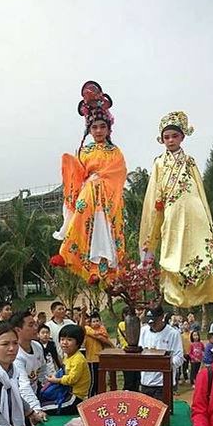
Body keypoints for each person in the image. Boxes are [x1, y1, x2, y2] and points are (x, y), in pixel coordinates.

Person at [139, 111, 213, 308]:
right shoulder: (159, 163)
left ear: (182, 137)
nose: (170, 140)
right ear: (162, 140)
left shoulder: (190, 161)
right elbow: (154, 192)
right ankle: (175, 294)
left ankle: (202, 289)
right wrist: (156, 215)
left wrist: (206, 215)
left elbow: (200, 190)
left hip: (194, 211)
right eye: (166, 137)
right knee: (172, 254)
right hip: (171, 212)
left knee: (200, 249)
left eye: (174, 136)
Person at [52, 80, 127, 283]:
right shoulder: (84, 151)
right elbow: (78, 176)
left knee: (106, 234)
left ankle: (102, 272)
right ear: (89, 129)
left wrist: (99, 183)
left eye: (103, 126)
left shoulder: (115, 151)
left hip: (108, 195)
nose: (99, 131)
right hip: (88, 193)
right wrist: (70, 166)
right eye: (95, 127)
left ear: (109, 128)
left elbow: (117, 173)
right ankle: (68, 255)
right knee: (81, 217)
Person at [10, 311, 48, 426]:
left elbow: (43, 369)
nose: (36, 328)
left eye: (35, 324)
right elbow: (23, 386)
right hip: (17, 402)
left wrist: (47, 385)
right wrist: (36, 409)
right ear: (18, 329)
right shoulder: (16, 355)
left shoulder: (37, 346)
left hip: (33, 397)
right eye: (31, 325)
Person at [138, 306, 184, 401]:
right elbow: (140, 352)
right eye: (149, 322)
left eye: (155, 321)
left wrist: (164, 363)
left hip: (163, 383)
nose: (152, 324)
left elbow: (179, 357)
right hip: (146, 382)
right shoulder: (144, 331)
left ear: (161, 317)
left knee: (162, 413)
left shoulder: (173, 334)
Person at [44, 324, 90, 415]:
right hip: (66, 393)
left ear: (78, 343)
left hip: (75, 398)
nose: (64, 342)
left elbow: (72, 379)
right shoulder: (68, 356)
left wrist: (56, 380)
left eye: (69, 340)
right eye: (62, 339)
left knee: (43, 409)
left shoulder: (78, 359)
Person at [82, 310, 113, 396]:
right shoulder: (88, 329)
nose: (96, 323)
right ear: (90, 323)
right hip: (91, 359)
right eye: (93, 321)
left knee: (101, 382)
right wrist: (111, 344)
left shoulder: (102, 329)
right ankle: (91, 399)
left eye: (97, 321)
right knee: (93, 382)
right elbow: (100, 337)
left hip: (101, 359)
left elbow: (104, 337)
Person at [116, 306, 140, 392]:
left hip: (133, 353)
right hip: (126, 353)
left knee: (136, 378)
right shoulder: (122, 324)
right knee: (129, 378)